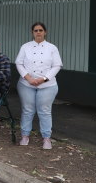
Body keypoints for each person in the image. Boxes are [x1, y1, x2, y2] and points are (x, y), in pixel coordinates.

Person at [15, 22, 62, 150]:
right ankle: (25, 135)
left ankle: (46, 137)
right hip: (26, 83)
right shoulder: (25, 47)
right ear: (32, 32)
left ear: (45, 32)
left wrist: (44, 78)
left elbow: (57, 65)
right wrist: (28, 77)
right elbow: (19, 63)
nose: (38, 32)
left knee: (44, 110)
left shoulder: (52, 48)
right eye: (36, 30)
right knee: (27, 109)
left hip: (47, 84)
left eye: (41, 30)